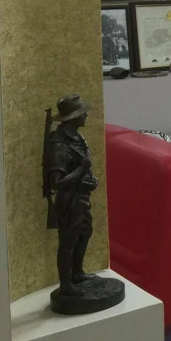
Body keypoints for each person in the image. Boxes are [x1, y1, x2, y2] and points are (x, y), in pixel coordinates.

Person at [45, 95, 98, 296]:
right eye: (81, 113)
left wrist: (90, 179)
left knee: (84, 233)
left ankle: (77, 273)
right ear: (72, 117)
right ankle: (66, 283)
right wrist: (81, 170)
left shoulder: (77, 138)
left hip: (81, 197)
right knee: (68, 241)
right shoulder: (60, 145)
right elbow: (57, 182)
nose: (85, 115)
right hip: (69, 200)